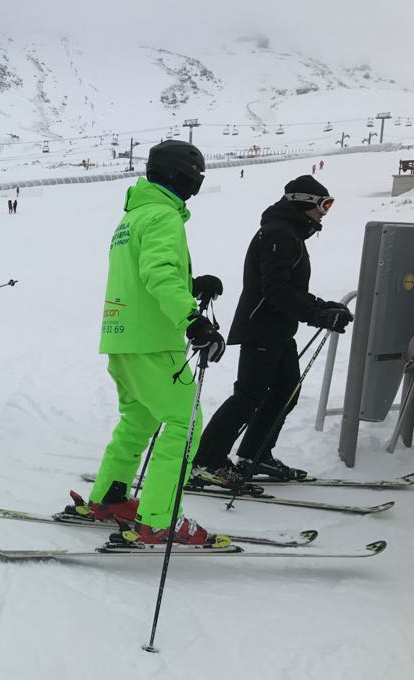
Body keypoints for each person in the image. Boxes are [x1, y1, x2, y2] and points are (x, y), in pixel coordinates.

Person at [80, 140, 229, 546]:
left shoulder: (135, 216)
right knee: (185, 423)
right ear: (186, 176)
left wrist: (191, 285)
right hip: (151, 340)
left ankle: (109, 497)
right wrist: (194, 321)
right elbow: (158, 274)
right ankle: (159, 520)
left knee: (140, 420)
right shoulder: (164, 216)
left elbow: (146, 273)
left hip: (122, 337)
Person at [192, 175, 352, 484]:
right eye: (323, 205)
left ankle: (255, 454)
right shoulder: (279, 233)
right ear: (304, 202)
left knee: (286, 391)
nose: (324, 213)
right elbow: (275, 290)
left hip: (277, 329)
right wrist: (318, 315)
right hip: (261, 327)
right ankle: (207, 461)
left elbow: (287, 288)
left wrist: (323, 306)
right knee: (248, 396)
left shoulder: (289, 233)